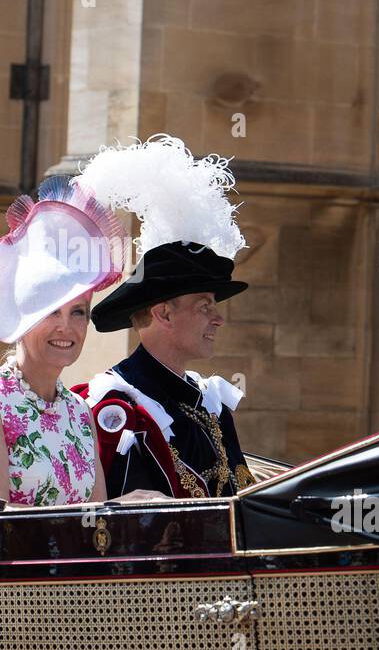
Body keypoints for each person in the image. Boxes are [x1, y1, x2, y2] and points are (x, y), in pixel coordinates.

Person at [71, 136, 253, 498]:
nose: (218, 320)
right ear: (163, 314)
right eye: (204, 306)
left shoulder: (210, 401)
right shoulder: (119, 407)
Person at [0, 177, 133, 505]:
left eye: (78, 312)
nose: (66, 326)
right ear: (24, 317)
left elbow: (96, 522)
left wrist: (125, 508)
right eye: (52, 312)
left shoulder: (79, 411)